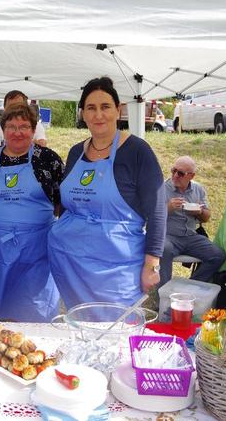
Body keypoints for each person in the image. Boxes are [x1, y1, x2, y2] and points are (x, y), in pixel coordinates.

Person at [48, 77, 166, 308]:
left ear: (118, 109)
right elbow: (68, 207)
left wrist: (151, 265)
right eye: (91, 108)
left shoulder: (137, 151)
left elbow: (158, 211)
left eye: (105, 107)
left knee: (117, 333)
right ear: (82, 113)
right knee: (78, 330)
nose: (98, 115)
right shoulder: (75, 153)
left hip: (117, 269)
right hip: (71, 264)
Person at [0, 102, 63, 322]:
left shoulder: (48, 159)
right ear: (2, 130)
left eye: (24, 126)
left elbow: (62, 203)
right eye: (11, 126)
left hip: (37, 249)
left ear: (34, 130)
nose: (17, 132)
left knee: (34, 308)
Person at [160, 156, 226, 285]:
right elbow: (149, 216)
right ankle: (162, 294)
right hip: (168, 235)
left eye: (180, 173)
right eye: (173, 170)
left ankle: (190, 287)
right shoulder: (161, 188)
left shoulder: (198, 189)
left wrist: (199, 212)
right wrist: (168, 208)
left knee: (218, 255)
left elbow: (206, 217)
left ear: (192, 176)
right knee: (163, 249)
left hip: (191, 236)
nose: (175, 175)